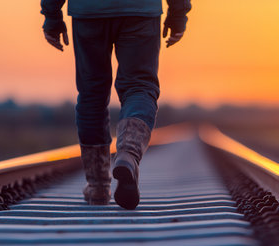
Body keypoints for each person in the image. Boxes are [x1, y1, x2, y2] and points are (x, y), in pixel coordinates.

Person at [40, 0, 191, 210]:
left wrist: (52, 16)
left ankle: (98, 186)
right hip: (140, 12)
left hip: (88, 12)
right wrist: (178, 13)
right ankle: (128, 153)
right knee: (139, 87)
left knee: (92, 94)